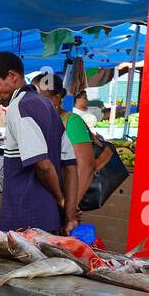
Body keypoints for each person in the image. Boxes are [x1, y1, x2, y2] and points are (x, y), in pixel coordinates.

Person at [0, 51, 78, 235]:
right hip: (50, 220)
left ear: (13, 76)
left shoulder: (19, 107)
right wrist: (70, 214)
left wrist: (60, 198)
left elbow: (43, 165)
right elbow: (70, 165)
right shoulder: (47, 105)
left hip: (25, 220)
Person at [40, 77, 97, 213]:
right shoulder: (43, 120)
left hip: (65, 199)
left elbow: (86, 166)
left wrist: (71, 207)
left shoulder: (72, 122)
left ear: (56, 98)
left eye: (41, 99)